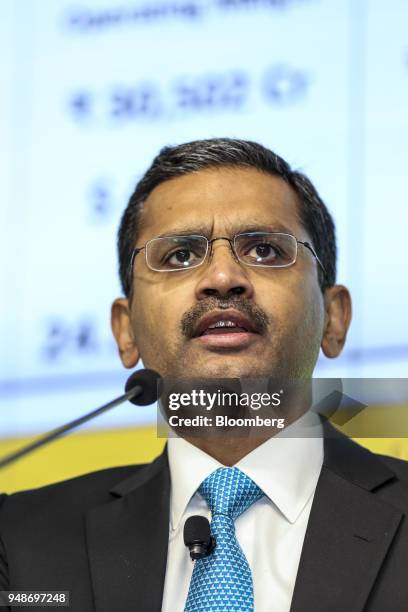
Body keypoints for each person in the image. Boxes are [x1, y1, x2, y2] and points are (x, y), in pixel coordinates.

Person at [1, 138, 408, 612]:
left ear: (334, 319)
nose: (221, 277)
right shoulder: (22, 541)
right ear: (126, 331)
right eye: (178, 255)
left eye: (265, 250)